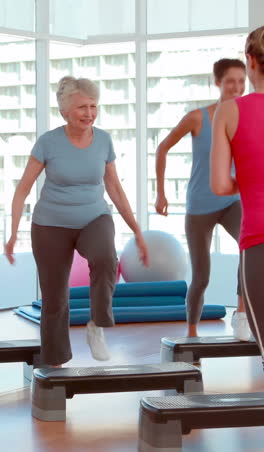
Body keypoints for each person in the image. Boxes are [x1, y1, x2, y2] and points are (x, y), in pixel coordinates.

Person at [5, 76, 149, 367]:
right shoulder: (48, 142)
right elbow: (23, 188)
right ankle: (54, 366)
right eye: (82, 106)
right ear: (65, 111)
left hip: (93, 216)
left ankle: (97, 325)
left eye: (94, 106)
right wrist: (12, 233)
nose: (89, 113)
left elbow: (115, 189)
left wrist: (137, 231)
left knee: (106, 257)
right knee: (55, 298)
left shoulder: (103, 140)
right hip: (50, 224)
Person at [155, 58, 251, 339]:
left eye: (241, 81)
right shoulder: (198, 117)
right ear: (217, 82)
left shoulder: (245, 116)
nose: (236, 87)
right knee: (201, 276)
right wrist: (161, 193)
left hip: (232, 200)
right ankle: (192, 332)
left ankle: (242, 314)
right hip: (200, 205)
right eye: (230, 81)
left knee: (252, 247)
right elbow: (162, 149)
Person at [211, 26, 264, 365]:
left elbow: (219, 185)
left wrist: (250, 179)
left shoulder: (229, 111)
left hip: (259, 239)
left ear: (250, 61)